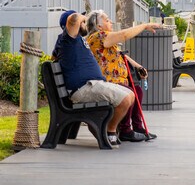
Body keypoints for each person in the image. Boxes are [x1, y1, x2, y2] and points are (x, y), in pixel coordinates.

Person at [53, 10, 135, 147]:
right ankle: (109, 130)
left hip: (92, 84)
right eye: (82, 22)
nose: (85, 23)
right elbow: (73, 19)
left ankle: (101, 127)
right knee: (125, 99)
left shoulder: (76, 40)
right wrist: (83, 17)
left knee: (130, 94)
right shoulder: (68, 39)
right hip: (84, 88)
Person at [85, 9, 162, 142]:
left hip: (119, 80)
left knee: (137, 91)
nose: (111, 22)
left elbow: (121, 54)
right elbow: (124, 35)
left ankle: (137, 127)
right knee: (129, 93)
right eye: (107, 20)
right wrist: (144, 26)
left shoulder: (105, 38)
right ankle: (125, 130)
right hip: (109, 81)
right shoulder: (98, 37)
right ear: (99, 26)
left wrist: (138, 66)